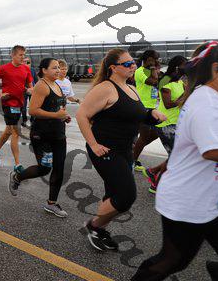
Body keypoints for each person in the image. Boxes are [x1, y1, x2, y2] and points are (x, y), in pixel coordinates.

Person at [132, 41, 218, 281]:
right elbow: (213, 150)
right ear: (216, 69)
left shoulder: (213, 97)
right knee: (172, 261)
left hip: (211, 197)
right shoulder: (207, 102)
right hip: (189, 199)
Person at [76, 48, 166, 251]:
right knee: (126, 196)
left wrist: (152, 114)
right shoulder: (105, 88)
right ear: (113, 68)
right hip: (106, 150)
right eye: (127, 64)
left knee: (113, 193)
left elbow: (138, 115)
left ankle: (99, 230)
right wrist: (93, 144)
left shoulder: (131, 88)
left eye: (133, 62)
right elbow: (82, 115)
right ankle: (93, 226)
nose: (133, 66)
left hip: (125, 149)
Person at [9, 58, 71, 218]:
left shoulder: (57, 85)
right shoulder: (41, 86)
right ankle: (17, 177)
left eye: (59, 67)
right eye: (54, 68)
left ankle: (51, 203)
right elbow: (33, 111)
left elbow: (58, 107)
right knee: (45, 168)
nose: (58, 70)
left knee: (59, 168)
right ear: (44, 70)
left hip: (59, 133)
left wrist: (64, 116)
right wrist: (56, 115)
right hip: (42, 135)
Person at [142, 55, 188, 194]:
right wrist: (184, 96)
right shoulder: (165, 83)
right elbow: (168, 104)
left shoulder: (180, 82)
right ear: (177, 67)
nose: (186, 67)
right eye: (184, 65)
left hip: (177, 123)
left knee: (178, 155)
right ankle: (156, 183)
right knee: (176, 156)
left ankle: (153, 171)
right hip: (166, 124)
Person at [0, 45, 34, 171]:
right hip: (7, 104)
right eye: (20, 55)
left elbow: (30, 86)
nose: (23, 57)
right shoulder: (3, 69)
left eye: (24, 55)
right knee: (15, 132)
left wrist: (30, 90)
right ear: (13, 55)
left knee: (9, 131)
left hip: (20, 104)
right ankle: (17, 164)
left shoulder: (26, 69)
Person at [132, 49, 162, 172]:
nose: (155, 61)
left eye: (156, 59)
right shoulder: (140, 71)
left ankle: (133, 150)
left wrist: (154, 70)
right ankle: (132, 161)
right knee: (144, 136)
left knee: (156, 133)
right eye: (153, 59)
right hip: (142, 107)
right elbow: (152, 82)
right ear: (147, 59)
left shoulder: (151, 71)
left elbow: (158, 82)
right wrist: (154, 69)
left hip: (152, 107)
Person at [21, 56, 38, 126]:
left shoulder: (32, 70)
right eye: (24, 62)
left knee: (33, 106)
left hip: (32, 91)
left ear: (30, 63)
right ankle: (24, 120)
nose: (26, 63)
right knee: (23, 107)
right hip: (23, 91)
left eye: (28, 62)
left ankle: (32, 120)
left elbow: (36, 81)